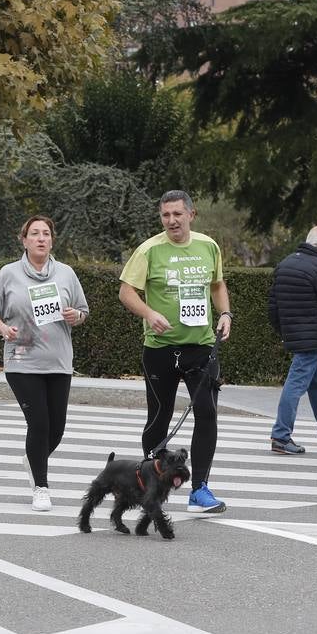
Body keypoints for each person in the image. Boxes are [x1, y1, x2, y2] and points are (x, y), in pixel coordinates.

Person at [118, 190, 231, 514]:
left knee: (207, 414)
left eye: (177, 214)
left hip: (201, 347)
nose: (171, 221)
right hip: (161, 349)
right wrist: (149, 314)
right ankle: (148, 486)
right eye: (166, 215)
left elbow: (218, 285)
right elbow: (127, 292)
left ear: (191, 215)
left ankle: (200, 490)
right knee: (160, 416)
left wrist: (225, 314)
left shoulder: (208, 246)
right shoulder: (149, 249)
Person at [0, 216, 89, 511]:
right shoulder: (9, 274)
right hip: (22, 360)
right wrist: (2, 329)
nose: (41, 238)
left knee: (57, 428)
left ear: (52, 240)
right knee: (39, 423)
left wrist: (74, 316)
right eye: (35, 234)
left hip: (59, 361)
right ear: (24, 240)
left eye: (46, 234)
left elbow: (82, 311)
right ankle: (41, 486)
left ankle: (32, 458)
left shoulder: (65, 274)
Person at [268, 225, 317, 454]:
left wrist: (284, 331)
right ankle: (281, 435)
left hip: (294, 334)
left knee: (316, 384)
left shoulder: (286, 264)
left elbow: (273, 306)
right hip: (315, 337)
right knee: (296, 383)